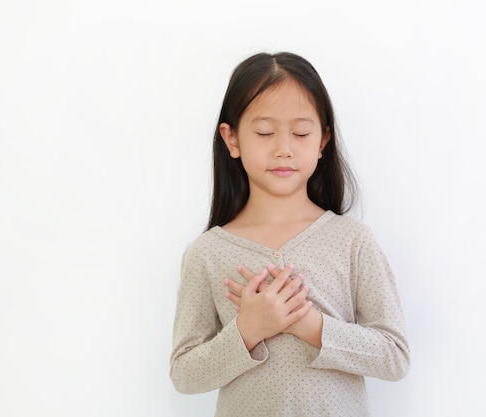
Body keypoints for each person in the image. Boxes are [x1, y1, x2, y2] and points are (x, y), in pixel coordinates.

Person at [170, 51, 410, 417]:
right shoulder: (207, 253)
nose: (284, 148)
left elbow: (394, 356)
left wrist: (309, 325)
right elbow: (184, 374)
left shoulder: (352, 241)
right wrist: (249, 329)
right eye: (265, 132)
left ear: (322, 140)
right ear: (231, 139)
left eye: (300, 132)